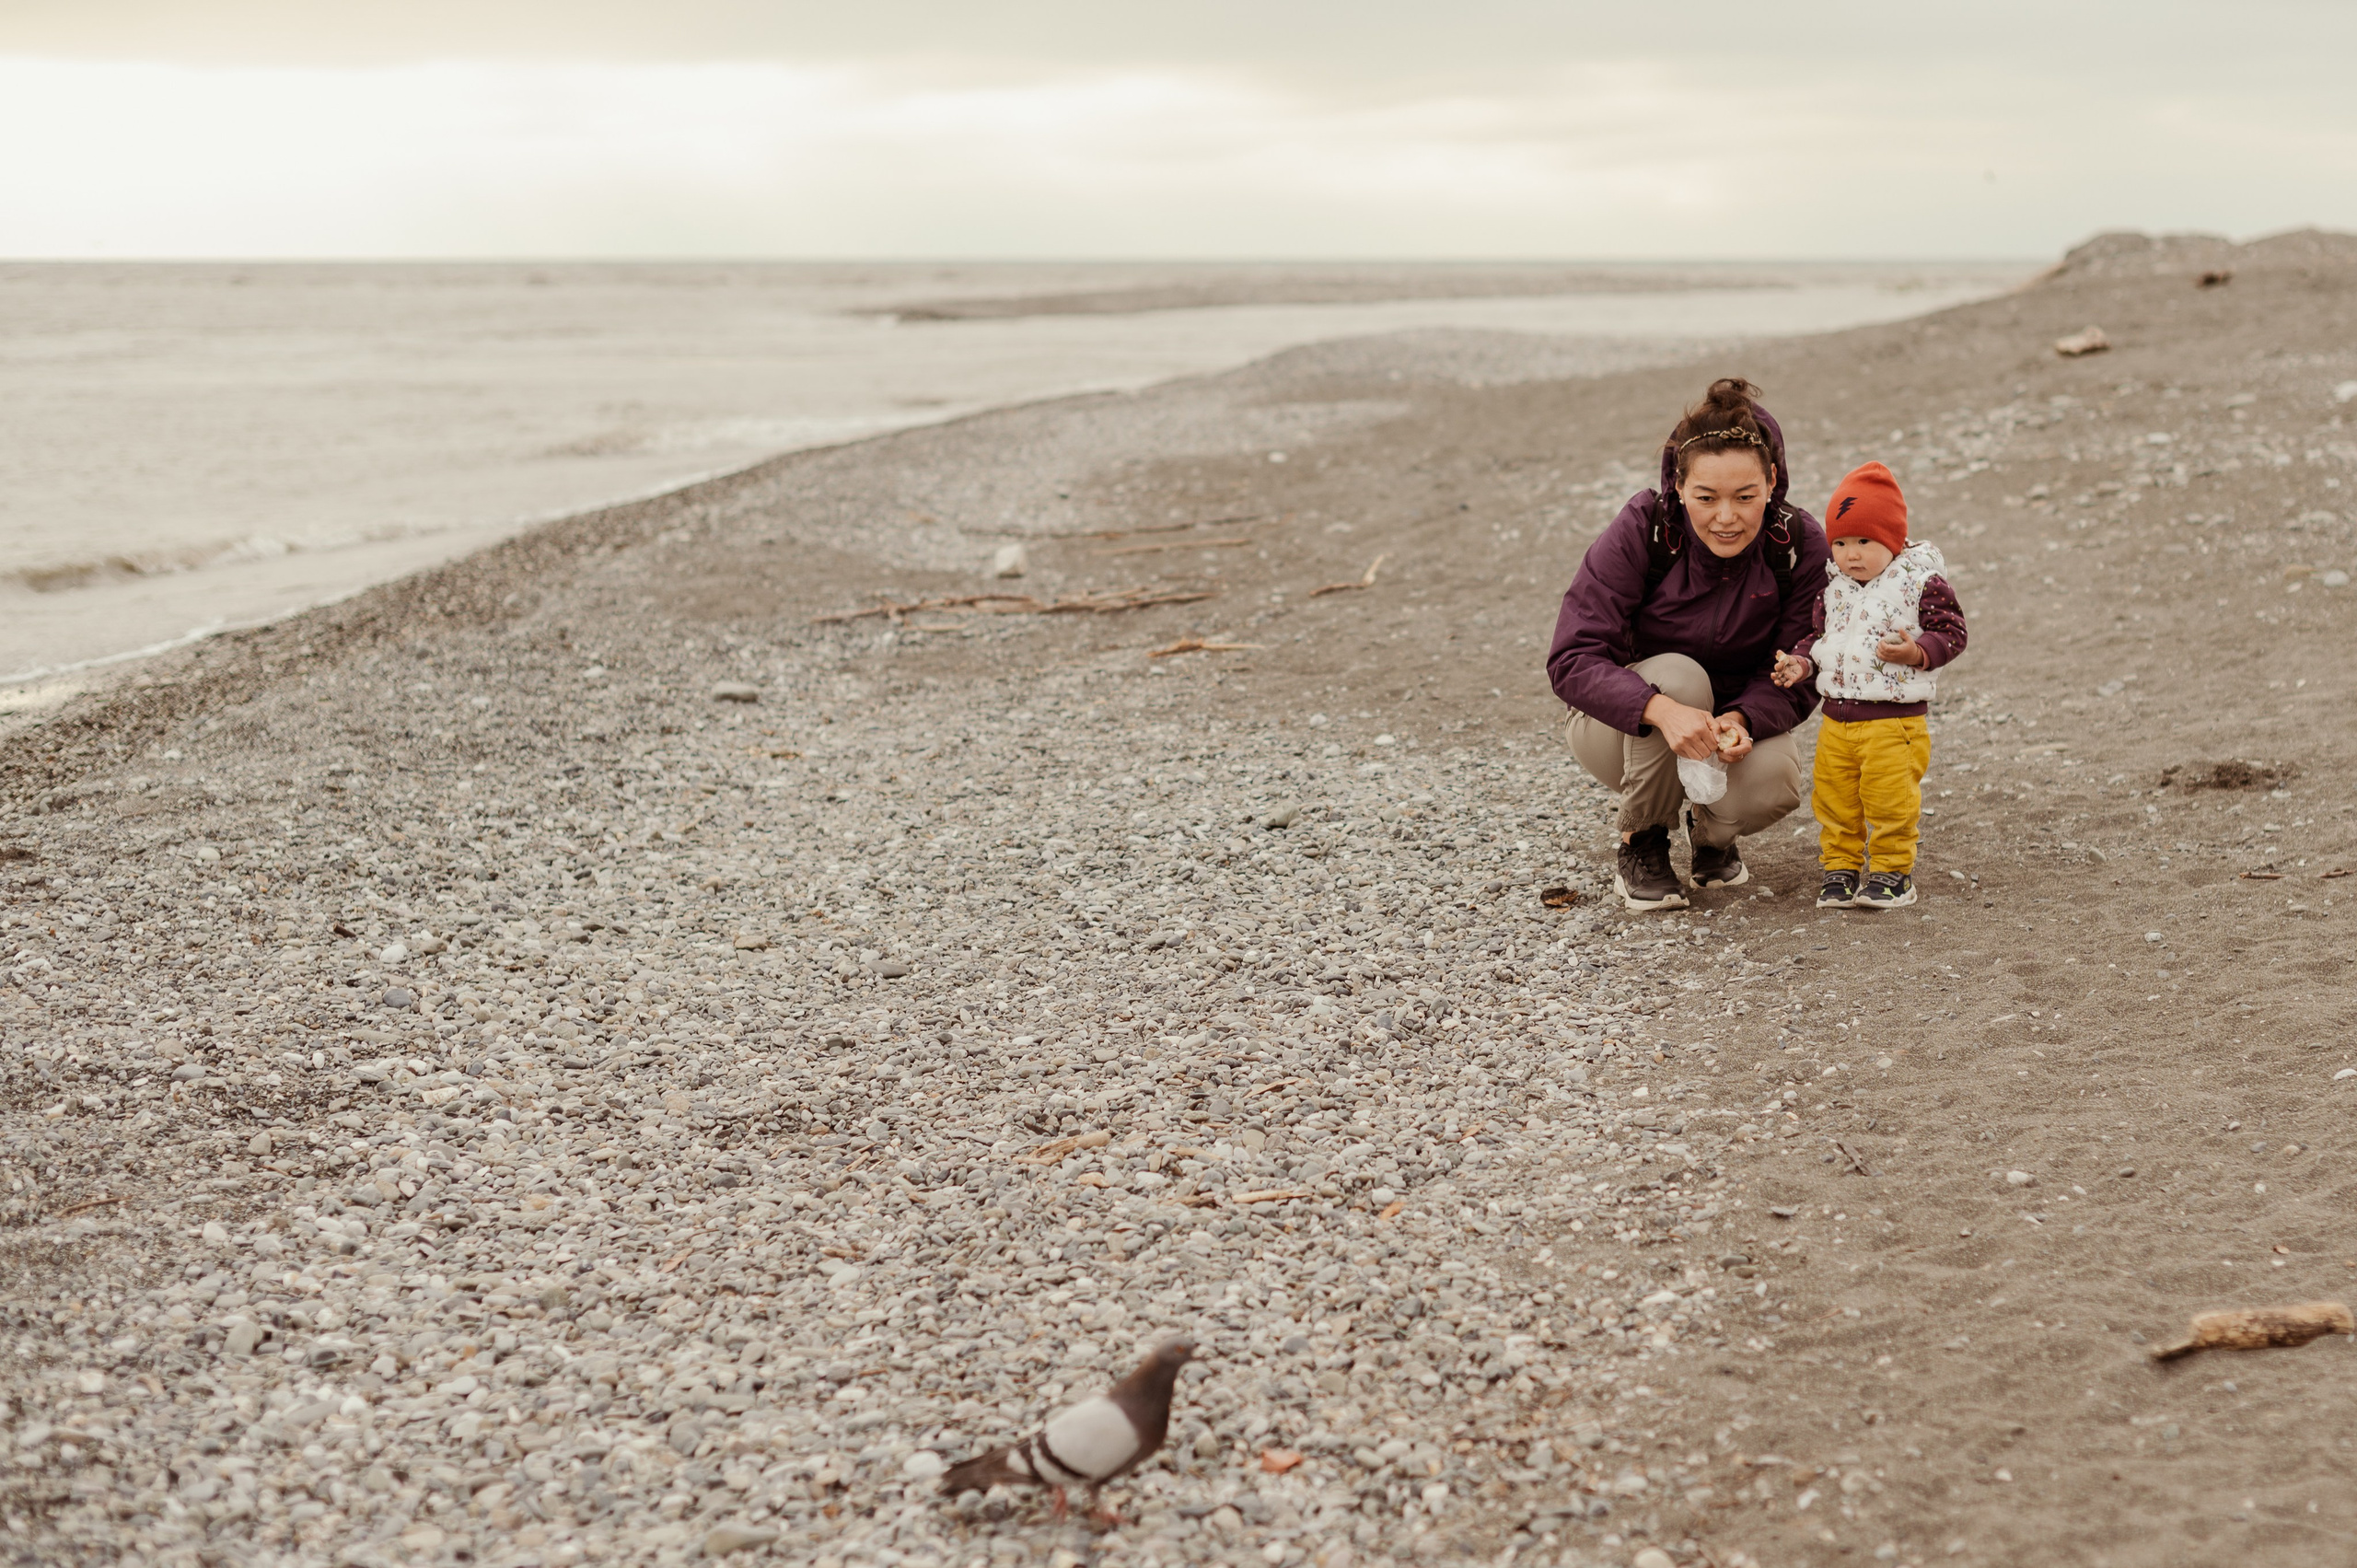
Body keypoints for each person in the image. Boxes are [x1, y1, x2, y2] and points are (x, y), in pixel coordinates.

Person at [1547, 378, 1829, 912]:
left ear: (1772, 481)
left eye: (1745, 497)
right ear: (1678, 485)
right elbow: (1571, 659)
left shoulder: (1797, 545)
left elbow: (1802, 666)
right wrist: (1661, 708)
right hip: (1616, 728)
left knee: (1776, 780)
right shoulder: (1643, 528)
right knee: (1678, 677)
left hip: (1726, 726)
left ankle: (1711, 838)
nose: (1727, 517)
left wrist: (1744, 719)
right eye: (1706, 497)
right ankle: (1642, 843)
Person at [1771, 461, 1968, 910]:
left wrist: (1916, 653)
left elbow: (1953, 633)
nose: (1851, 554)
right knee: (1834, 799)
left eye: (1865, 541)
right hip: (1836, 721)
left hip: (1892, 722)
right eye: (1840, 542)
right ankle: (1840, 867)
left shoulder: (1919, 583)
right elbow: (1821, 639)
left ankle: (1891, 872)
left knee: (1890, 800)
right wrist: (1801, 664)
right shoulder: (1835, 587)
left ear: (1893, 539)